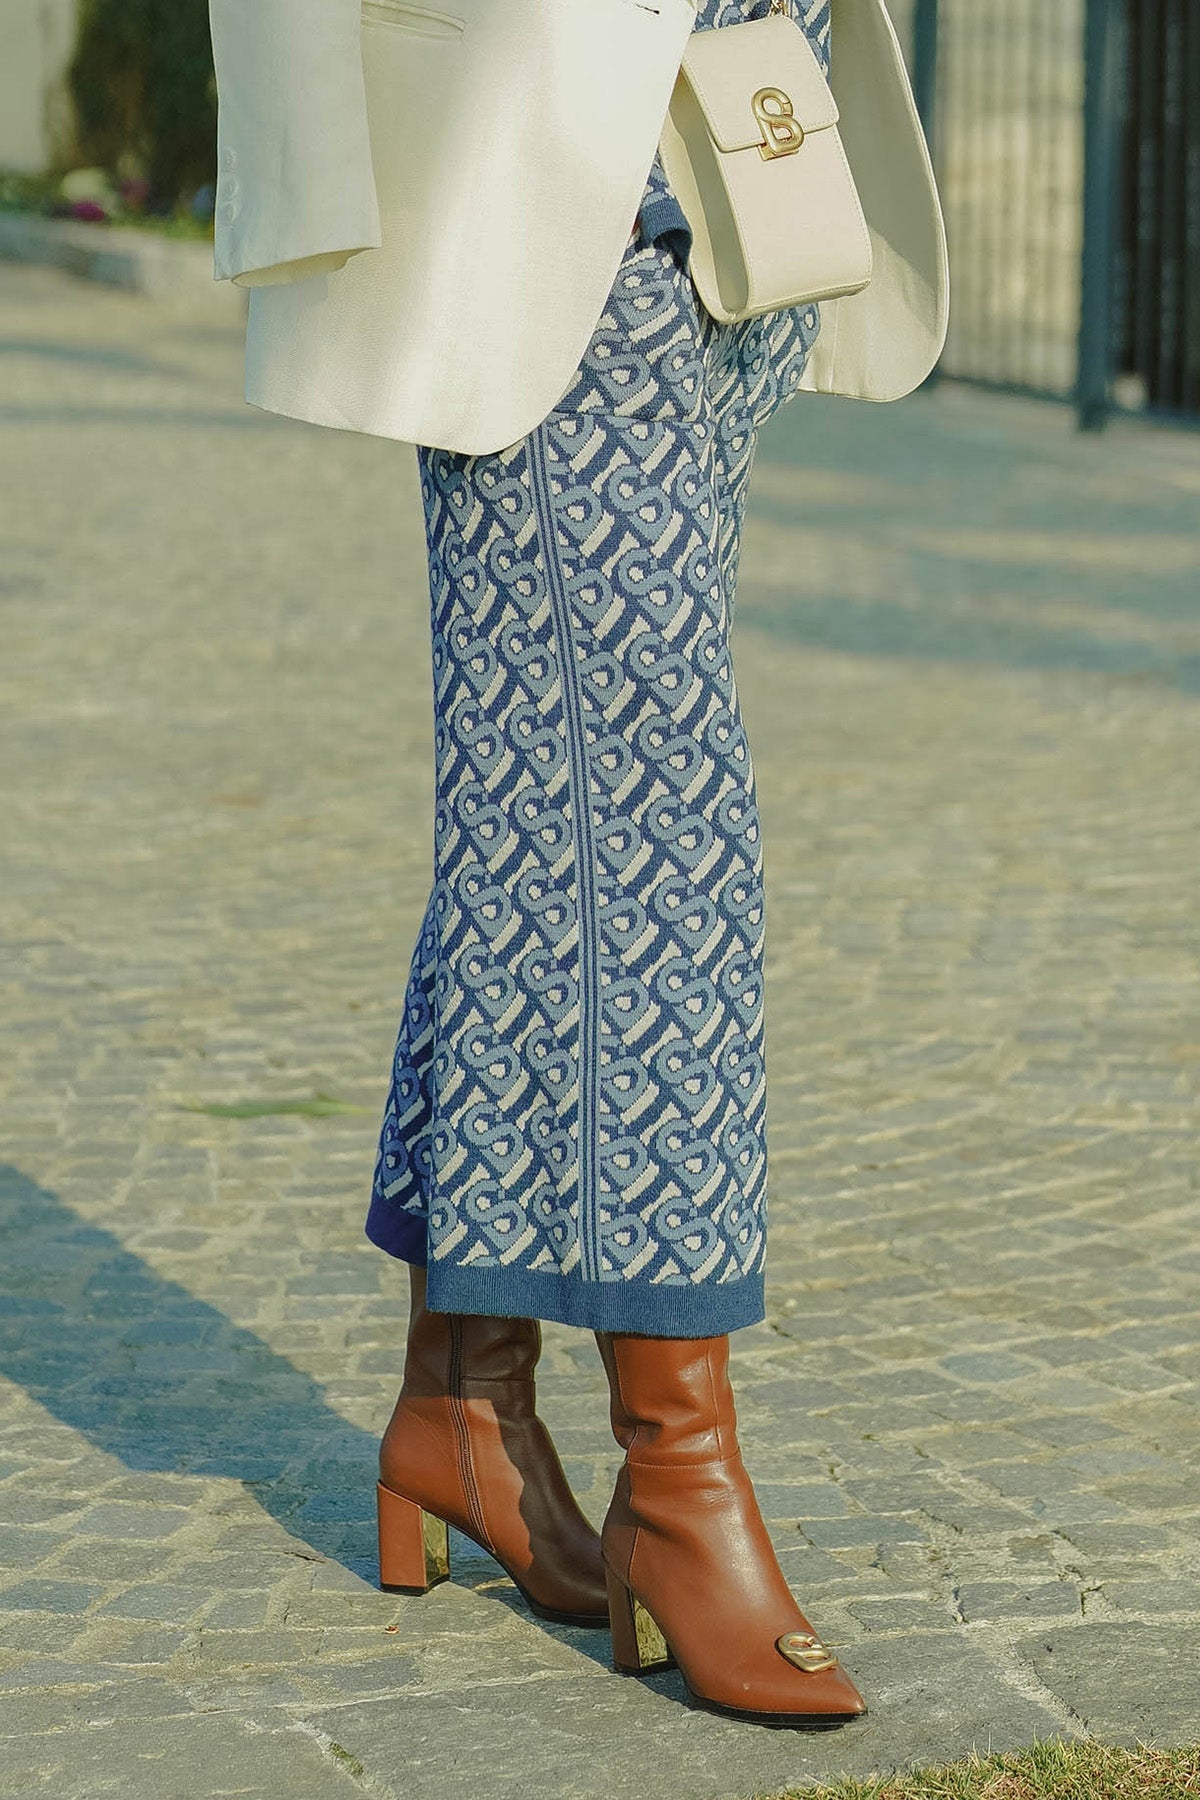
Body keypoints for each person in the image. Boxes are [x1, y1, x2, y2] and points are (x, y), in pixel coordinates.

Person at [364, 0, 868, 1728]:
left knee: (544, 813)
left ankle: (462, 1404)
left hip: (730, 178)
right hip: (557, 203)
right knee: (660, 834)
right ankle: (682, 1479)